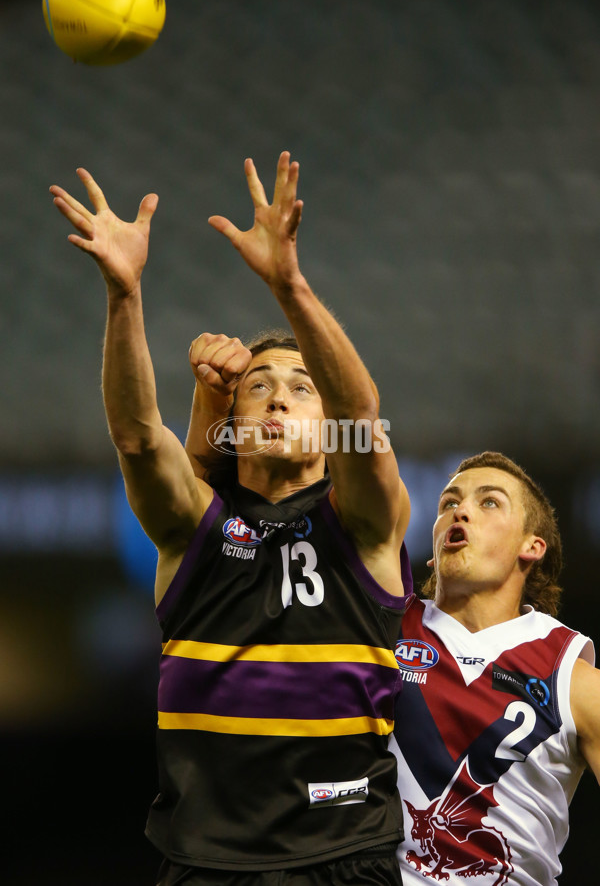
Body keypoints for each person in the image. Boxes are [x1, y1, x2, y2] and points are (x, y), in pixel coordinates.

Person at [49, 152, 412, 885]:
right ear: (232, 422)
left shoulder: (367, 523)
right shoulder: (196, 528)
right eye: (259, 386)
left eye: (301, 388)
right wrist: (125, 297)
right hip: (203, 862)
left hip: (345, 856)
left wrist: (289, 286)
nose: (278, 398)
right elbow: (137, 436)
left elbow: (362, 416)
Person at [390, 451, 600, 886]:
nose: (460, 510)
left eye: (489, 502)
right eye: (449, 503)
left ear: (532, 546)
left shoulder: (571, 677)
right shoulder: (385, 629)